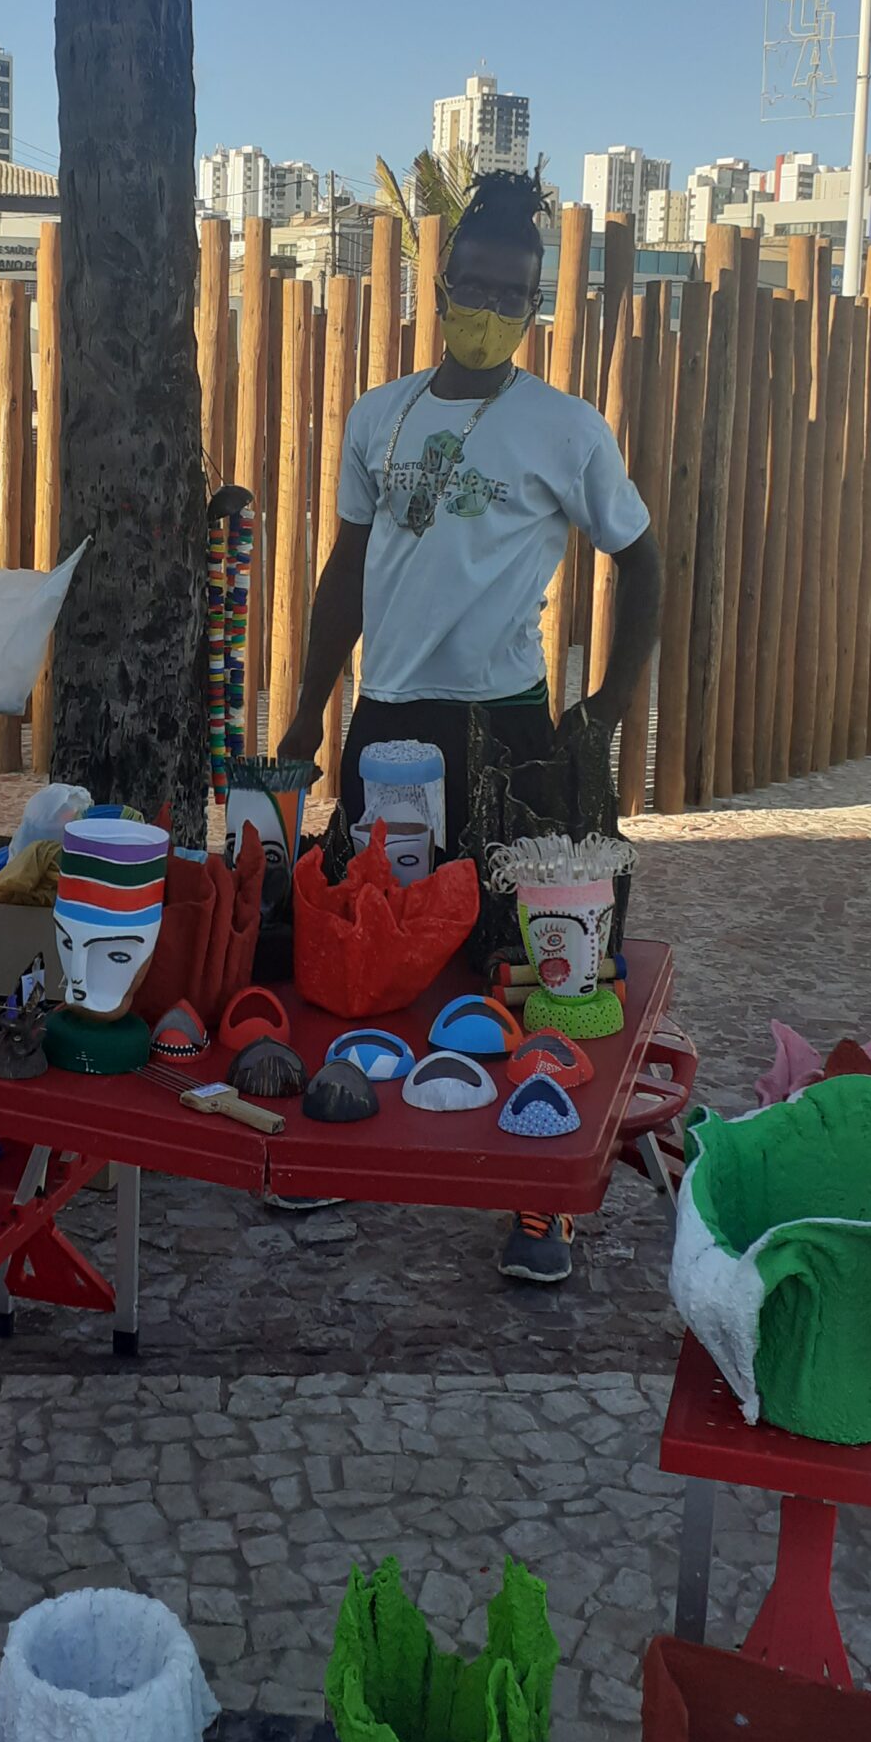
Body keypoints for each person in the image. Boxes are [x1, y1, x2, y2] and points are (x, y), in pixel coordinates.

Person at [276, 171, 663, 1285]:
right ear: (438, 285)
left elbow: (643, 560)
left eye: (514, 291)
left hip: (503, 727)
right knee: (368, 935)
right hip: (385, 716)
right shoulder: (377, 414)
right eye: (474, 284)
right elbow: (344, 570)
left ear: (537, 301)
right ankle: (345, 1125)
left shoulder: (565, 429)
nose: (490, 305)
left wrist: (614, 702)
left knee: (513, 955)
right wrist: (309, 705)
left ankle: (533, 1195)